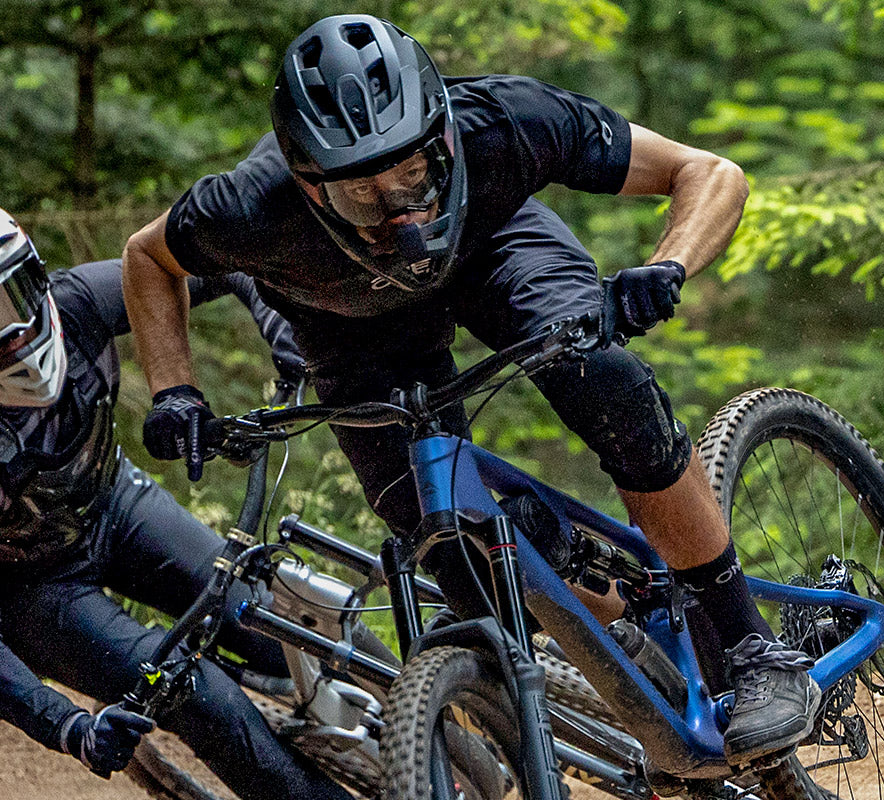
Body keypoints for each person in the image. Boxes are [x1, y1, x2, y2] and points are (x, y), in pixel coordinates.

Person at [122, 14, 820, 766]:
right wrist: (175, 392)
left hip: (499, 253)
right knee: (455, 557)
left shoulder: (506, 120)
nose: (400, 209)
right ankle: (629, 616)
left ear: (443, 136)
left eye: (414, 172)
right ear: (306, 182)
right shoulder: (246, 207)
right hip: (350, 330)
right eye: (363, 192)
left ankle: (753, 648)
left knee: (604, 383)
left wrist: (668, 265)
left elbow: (710, 173)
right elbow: (147, 258)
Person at [0, 210, 353, 800]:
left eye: (7, 301)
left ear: (33, 277)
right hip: (33, 591)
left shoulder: (78, 301)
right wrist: (65, 726)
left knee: (275, 622)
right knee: (203, 698)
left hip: (115, 502)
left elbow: (214, 256)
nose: (10, 335)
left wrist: (276, 316)